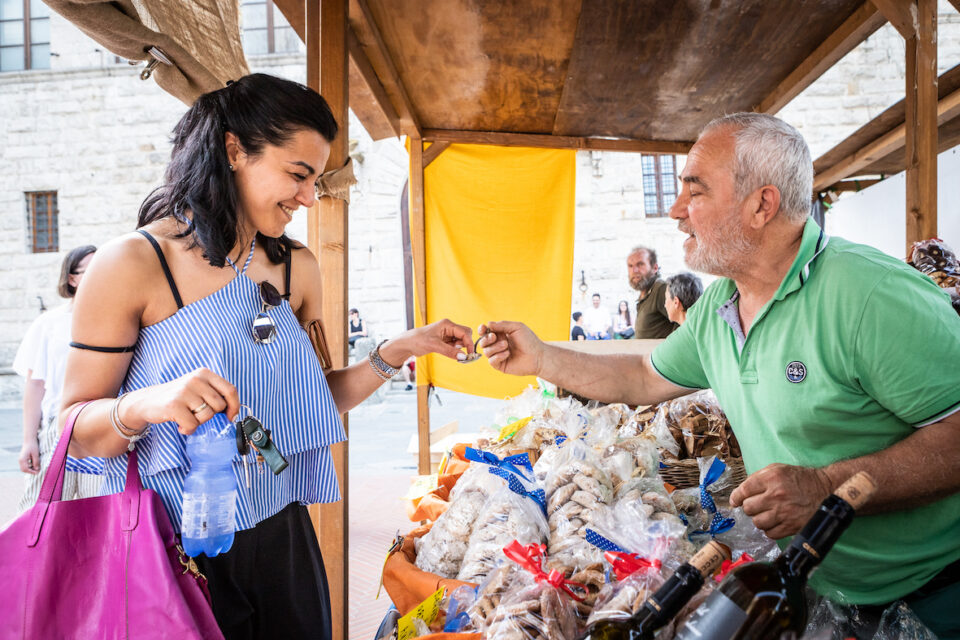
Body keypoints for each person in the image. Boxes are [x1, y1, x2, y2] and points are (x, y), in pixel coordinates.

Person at [476, 112, 960, 636]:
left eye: (695, 191)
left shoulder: (872, 296)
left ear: (761, 205)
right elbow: (643, 375)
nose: (676, 210)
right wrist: (543, 358)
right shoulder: (720, 306)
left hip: (936, 595)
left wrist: (823, 485)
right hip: (819, 593)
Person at [59, 74, 475, 640]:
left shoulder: (294, 266)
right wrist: (147, 404)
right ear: (234, 150)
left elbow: (313, 403)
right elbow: (75, 428)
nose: (309, 197)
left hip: (283, 536)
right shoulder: (131, 264)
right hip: (178, 548)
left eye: (316, 179)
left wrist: (396, 351)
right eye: (298, 175)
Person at [14, 245, 101, 512]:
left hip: (99, 425)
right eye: (91, 270)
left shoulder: (115, 319)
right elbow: (36, 383)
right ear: (72, 278)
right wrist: (29, 439)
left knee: (96, 511)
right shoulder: (49, 323)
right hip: (57, 427)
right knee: (40, 511)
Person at [627, 246, 676, 338]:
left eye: (640, 264)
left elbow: (684, 324)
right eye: (630, 266)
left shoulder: (661, 290)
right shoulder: (646, 293)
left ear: (655, 268)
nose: (634, 270)